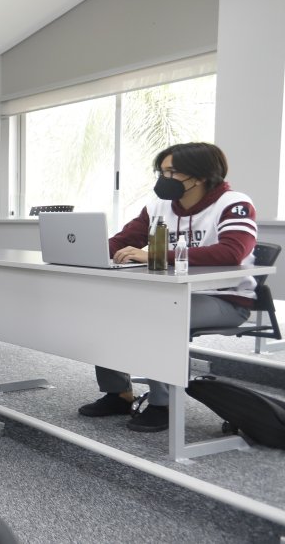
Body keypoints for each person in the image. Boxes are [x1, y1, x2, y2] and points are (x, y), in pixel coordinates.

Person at [79, 142, 256, 432]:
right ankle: (119, 393)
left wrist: (156, 255)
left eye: (172, 172)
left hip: (224, 299)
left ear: (199, 176)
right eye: (161, 171)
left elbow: (232, 252)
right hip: (169, 293)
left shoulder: (234, 203)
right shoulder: (157, 206)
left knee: (156, 315)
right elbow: (124, 240)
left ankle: (163, 404)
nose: (164, 179)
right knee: (107, 308)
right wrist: (90, 252)